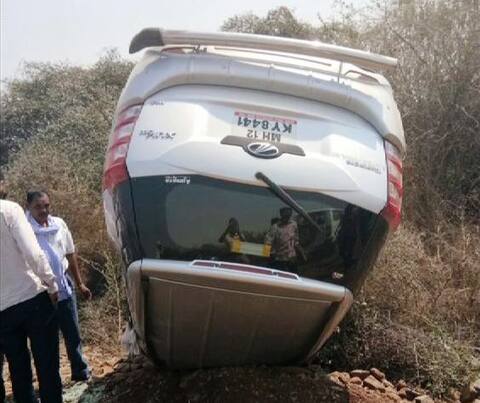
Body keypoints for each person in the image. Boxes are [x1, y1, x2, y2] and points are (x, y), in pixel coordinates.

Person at [0, 184, 62, 402]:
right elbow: (33, 253)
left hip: (3, 312)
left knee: (18, 372)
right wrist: (52, 284)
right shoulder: (9, 209)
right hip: (32, 297)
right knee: (47, 365)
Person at [26, 190, 92, 382]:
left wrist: (80, 283)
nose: (43, 210)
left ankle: (80, 371)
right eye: (38, 207)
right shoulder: (24, 229)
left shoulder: (59, 224)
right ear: (28, 206)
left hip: (64, 285)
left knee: (72, 332)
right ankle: (50, 381)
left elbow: (70, 253)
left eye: (46, 206)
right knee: (46, 340)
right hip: (40, 291)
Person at [265, 207, 306, 274]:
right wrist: (268, 257)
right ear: (281, 215)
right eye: (285, 215)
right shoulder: (275, 227)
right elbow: (267, 243)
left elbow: (296, 241)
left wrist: (302, 253)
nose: (287, 217)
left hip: (292, 259)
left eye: (288, 215)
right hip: (280, 260)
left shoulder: (294, 224)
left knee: (294, 277)